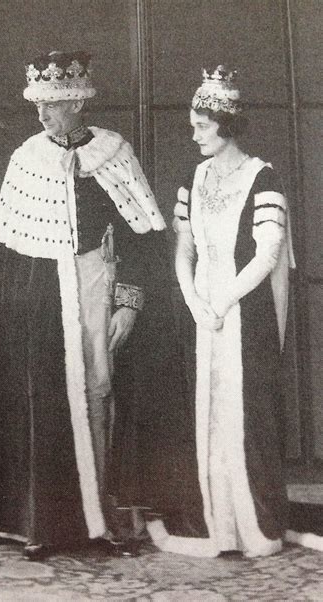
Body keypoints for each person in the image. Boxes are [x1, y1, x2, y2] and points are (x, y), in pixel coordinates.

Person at [0, 51, 167, 561]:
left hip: (99, 279)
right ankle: (48, 521)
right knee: (47, 401)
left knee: (101, 392)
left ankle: (107, 519)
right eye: (39, 106)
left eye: (51, 105)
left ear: (76, 102)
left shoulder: (115, 153)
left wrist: (128, 303)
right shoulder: (26, 158)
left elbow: (144, 237)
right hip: (41, 295)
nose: (42, 116)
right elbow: (6, 253)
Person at [147, 66, 296, 558]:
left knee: (245, 414)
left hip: (243, 312)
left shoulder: (262, 176)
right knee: (204, 415)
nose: (194, 134)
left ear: (227, 125)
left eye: (203, 126)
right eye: (193, 125)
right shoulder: (194, 176)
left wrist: (223, 301)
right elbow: (182, 248)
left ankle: (255, 526)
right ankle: (217, 522)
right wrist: (193, 300)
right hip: (201, 315)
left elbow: (267, 254)